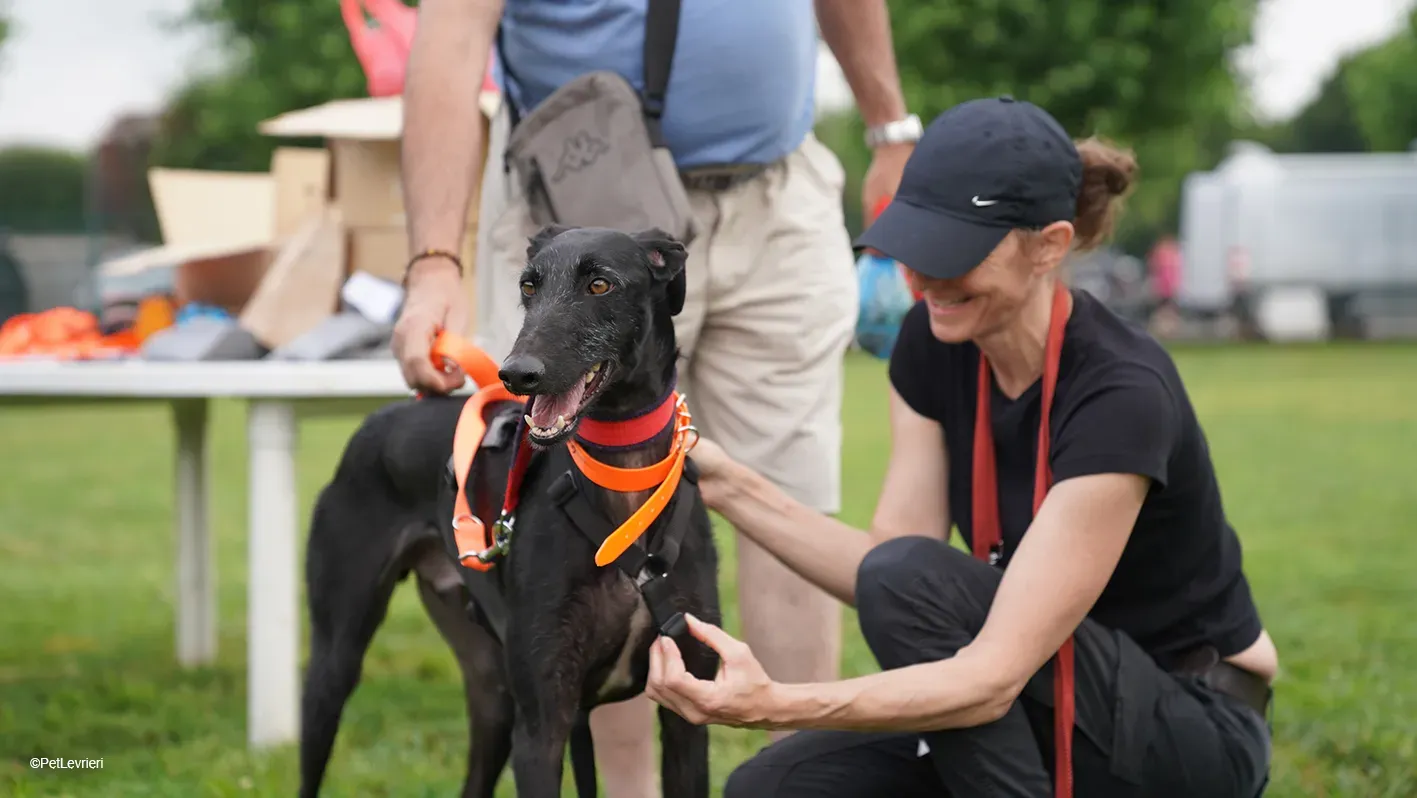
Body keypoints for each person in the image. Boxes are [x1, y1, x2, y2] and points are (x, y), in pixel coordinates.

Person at [643, 97, 1278, 798]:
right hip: (1038, 702)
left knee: (911, 582)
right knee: (777, 788)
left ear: (1049, 245)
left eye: (953, 252)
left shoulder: (1121, 393)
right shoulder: (935, 341)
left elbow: (989, 677)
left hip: (1185, 728)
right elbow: (883, 570)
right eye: (915, 244)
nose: (920, 278)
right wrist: (721, 480)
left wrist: (773, 703)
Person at [390, 1, 919, 794]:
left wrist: (888, 126)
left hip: (778, 196)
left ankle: (807, 782)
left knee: (791, 513)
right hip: (579, 210)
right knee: (583, 533)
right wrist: (434, 259)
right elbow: (450, 41)